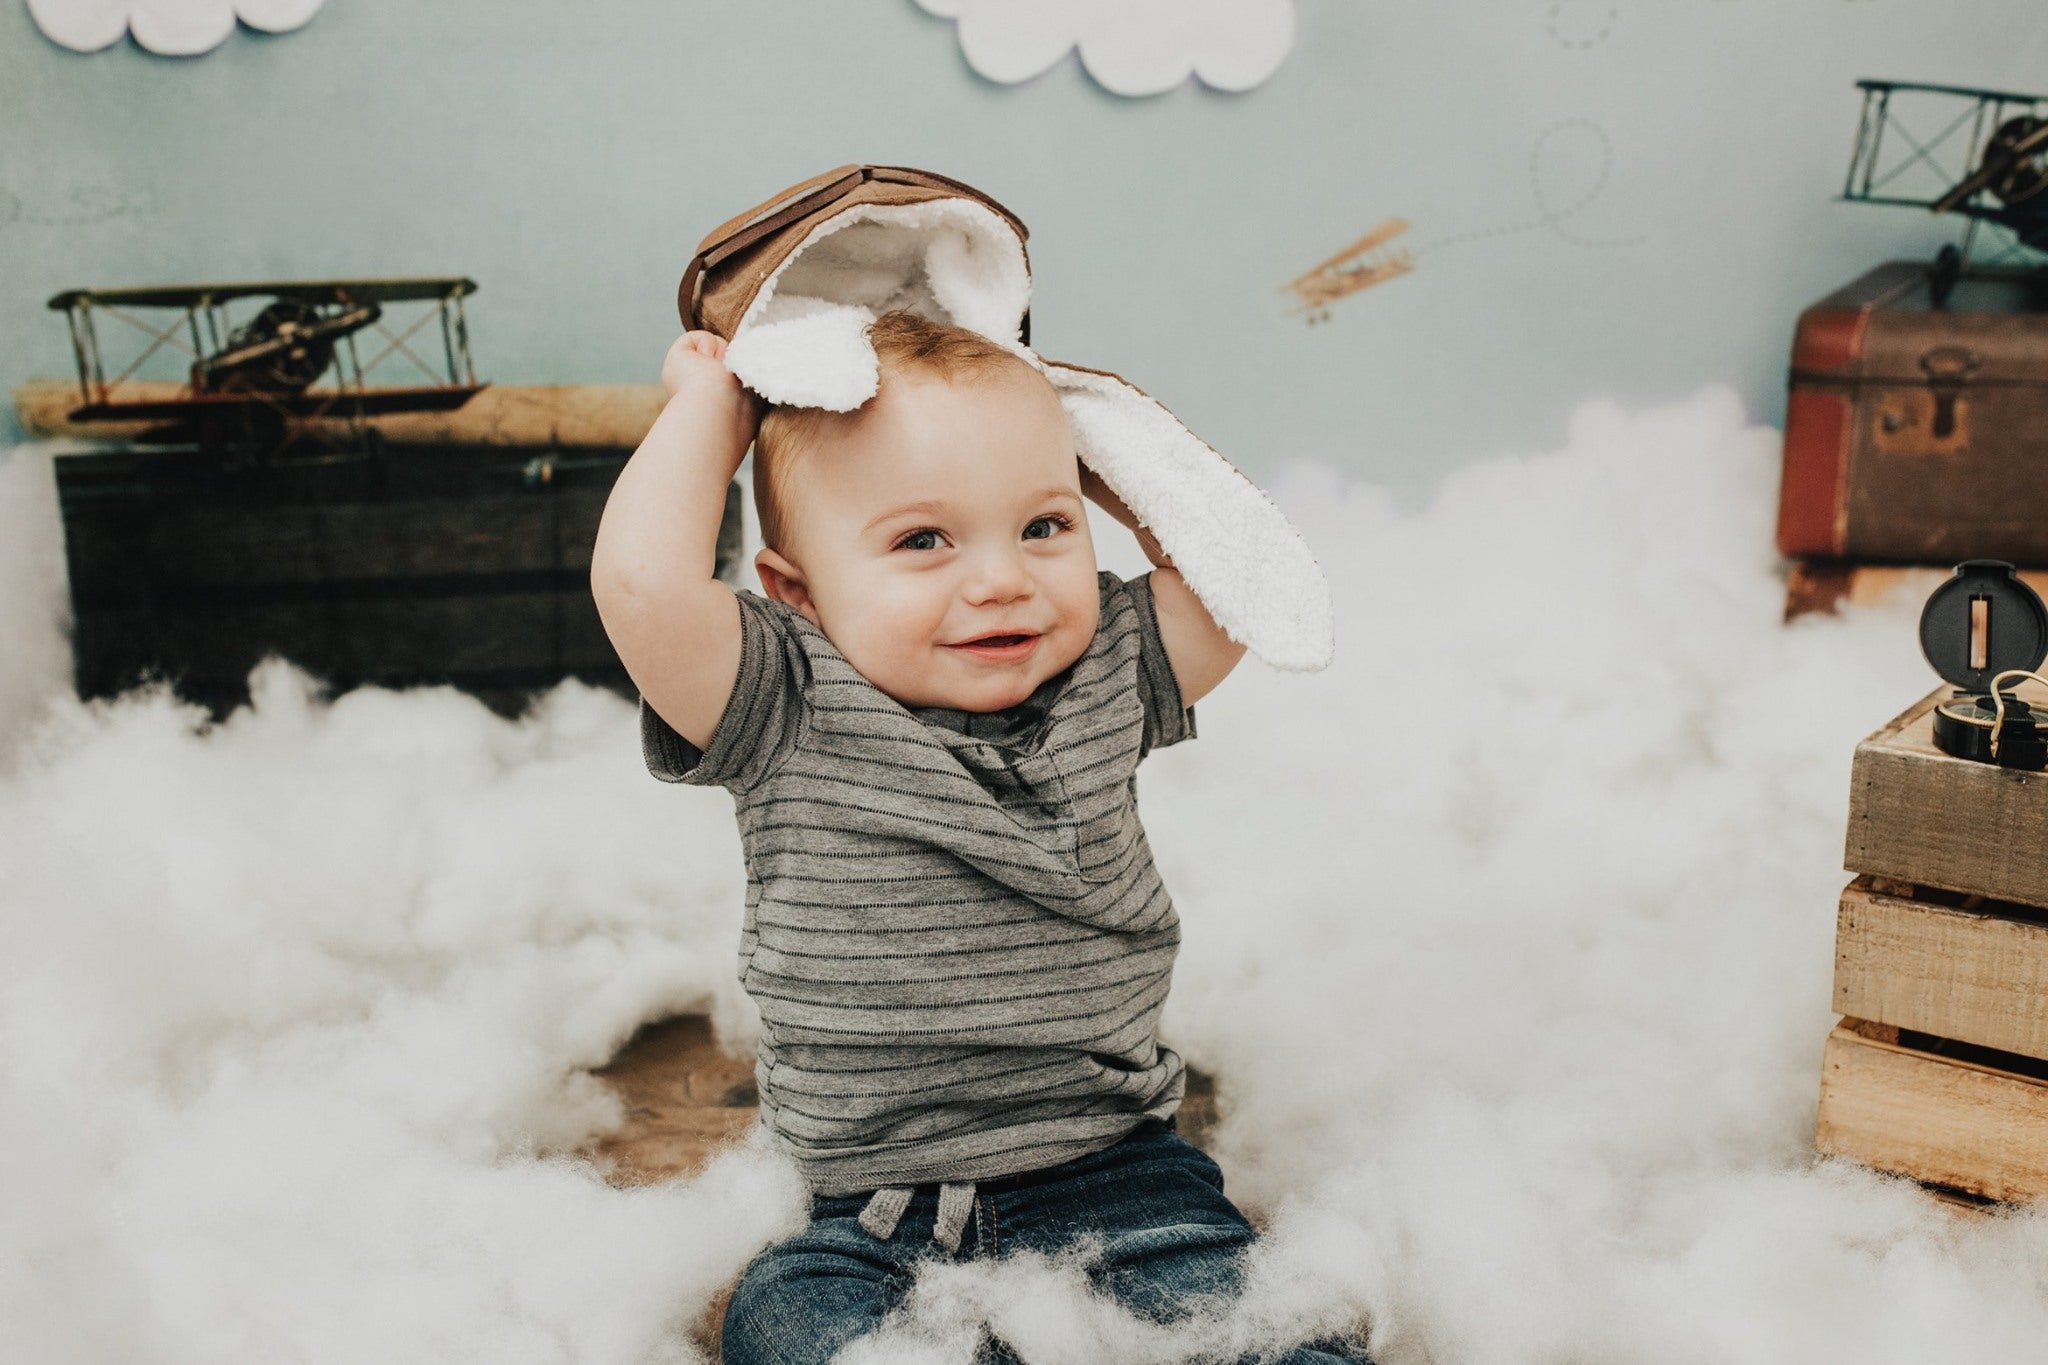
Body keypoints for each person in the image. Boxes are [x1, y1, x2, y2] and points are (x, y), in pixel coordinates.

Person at [589, 309, 1373, 1365]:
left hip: (1126, 1178)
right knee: (782, 1321)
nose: (1002, 579)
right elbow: (644, 589)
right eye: (924, 540)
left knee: (1277, 1330)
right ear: (798, 592)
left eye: (1043, 526)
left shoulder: (1110, 667)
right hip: (875, 1212)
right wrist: (711, 410)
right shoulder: (783, 695)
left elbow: (1238, 577)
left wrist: (1084, 439)